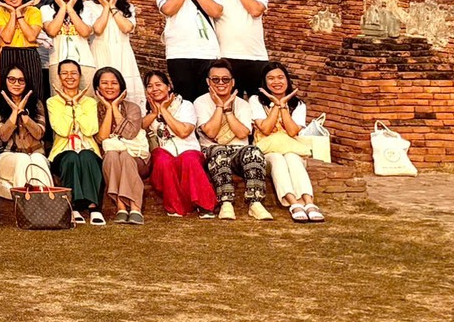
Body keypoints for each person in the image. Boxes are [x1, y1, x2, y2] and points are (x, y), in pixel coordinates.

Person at [194, 60, 272, 220]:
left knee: (254, 151)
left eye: (225, 79)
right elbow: (210, 132)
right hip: (212, 151)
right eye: (215, 80)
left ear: (233, 82)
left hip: (239, 151)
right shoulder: (200, 102)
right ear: (208, 82)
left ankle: (255, 202)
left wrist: (228, 110)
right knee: (219, 150)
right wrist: (218, 107)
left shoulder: (242, 104)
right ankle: (226, 203)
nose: (221, 83)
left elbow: (243, 133)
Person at [138, 69, 217, 218]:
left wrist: (164, 110)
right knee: (162, 159)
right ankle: (174, 206)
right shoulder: (145, 107)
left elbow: (183, 132)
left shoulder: (185, 105)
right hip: (164, 151)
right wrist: (154, 113)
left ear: (169, 86)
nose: (154, 89)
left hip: (188, 150)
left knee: (188, 159)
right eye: (149, 86)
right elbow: (140, 126)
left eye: (159, 84)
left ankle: (205, 206)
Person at [253, 62, 323, 223]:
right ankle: (294, 203)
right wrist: (276, 105)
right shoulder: (256, 101)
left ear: (287, 80)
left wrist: (283, 106)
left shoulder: (298, 104)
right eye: (270, 78)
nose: (276, 82)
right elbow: (265, 128)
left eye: (280, 77)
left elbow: (292, 131)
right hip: (268, 151)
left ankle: (309, 203)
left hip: (291, 149)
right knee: (277, 159)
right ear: (265, 82)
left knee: (292, 158)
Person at [154, 0, 224, 102]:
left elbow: (215, 11)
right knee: (185, 99)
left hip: (207, 52)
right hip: (180, 53)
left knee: (207, 99)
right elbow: (169, 9)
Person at [207, 0, 271, 99]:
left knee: (260, 103)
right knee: (231, 103)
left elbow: (255, 10)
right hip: (226, 56)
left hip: (256, 56)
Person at [46, 62, 104, 224]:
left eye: (74, 73)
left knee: (86, 155)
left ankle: (94, 207)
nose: (69, 77)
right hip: (62, 152)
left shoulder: (90, 102)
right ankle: (75, 205)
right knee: (71, 157)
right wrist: (67, 104)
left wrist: (76, 104)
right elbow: (63, 130)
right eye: (64, 73)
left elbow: (90, 129)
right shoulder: (52, 102)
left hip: (87, 148)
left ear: (80, 76)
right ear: (59, 77)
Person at [92, 66, 145, 224]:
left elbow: (129, 134)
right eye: (105, 83)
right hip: (111, 157)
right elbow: (101, 138)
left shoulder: (133, 108)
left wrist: (115, 107)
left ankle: (136, 208)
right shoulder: (94, 109)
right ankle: (121, 207)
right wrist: (108, 109)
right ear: (97, 87)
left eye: (114, 83)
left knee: (126, 158)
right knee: (112, 156)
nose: (109, 87)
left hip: (137, 156)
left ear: (121, 86)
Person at [0, 64, 52, 195]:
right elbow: (3, 136)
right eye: (11, 79)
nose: (16, 84)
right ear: (5, 80)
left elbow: (39, 133)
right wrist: (14, 112)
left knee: (38, 160)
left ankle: (46, 207)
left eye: (21, 80)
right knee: (23, 159)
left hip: (35, 153)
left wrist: (24, 115)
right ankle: (24, 207)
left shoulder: (36, 103)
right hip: (7, 156)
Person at [0, 0, 46, 109]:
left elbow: (32, 37)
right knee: (8, 93)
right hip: (8, 54)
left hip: (29, 54)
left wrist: (19, 13)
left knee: (34, 93)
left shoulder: (34, 11)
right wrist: (12, 13)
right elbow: (7, 38)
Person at [42, 0, 95, 78]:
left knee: (86, 95)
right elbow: (52, 31)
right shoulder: (46, 9)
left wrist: (70, 9)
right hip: (57, 62)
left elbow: (85, 33)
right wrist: (62, 8)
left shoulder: (85, 10)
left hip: (84, 62)